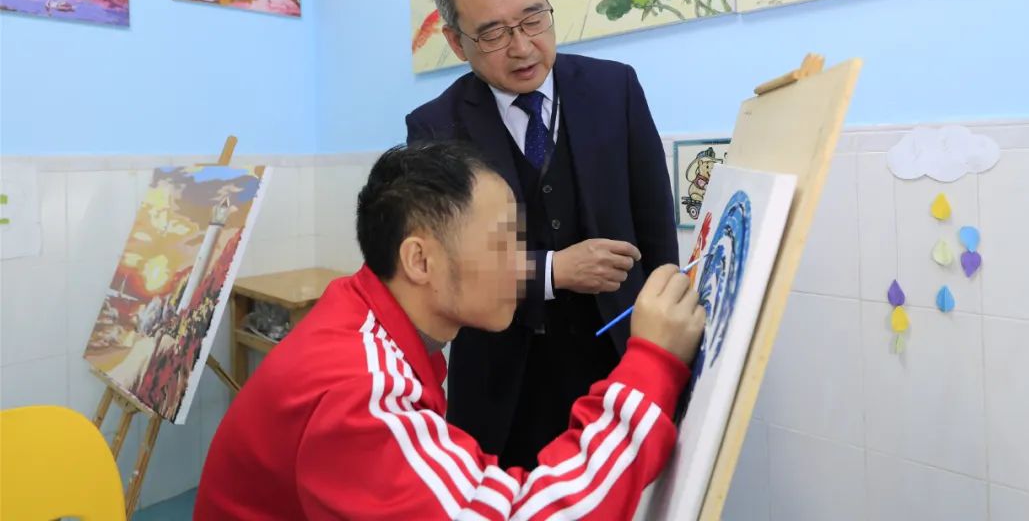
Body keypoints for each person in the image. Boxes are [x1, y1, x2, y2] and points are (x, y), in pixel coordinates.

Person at [194, 141, 705, 520]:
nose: (523, 264)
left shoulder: (361, 313)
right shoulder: (359, 391)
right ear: (420, 260)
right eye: (503, 243)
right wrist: (652, 363)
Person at [406, 0, 678, 468]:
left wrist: (669, 351)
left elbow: (657, 232)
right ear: (457, 42)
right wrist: (555, 271)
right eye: (493, 34)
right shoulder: (434, 127)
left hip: (621, 364)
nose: (523, 47)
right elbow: (445, 273)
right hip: (502, 392)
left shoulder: (616, 89)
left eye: (534, 19)